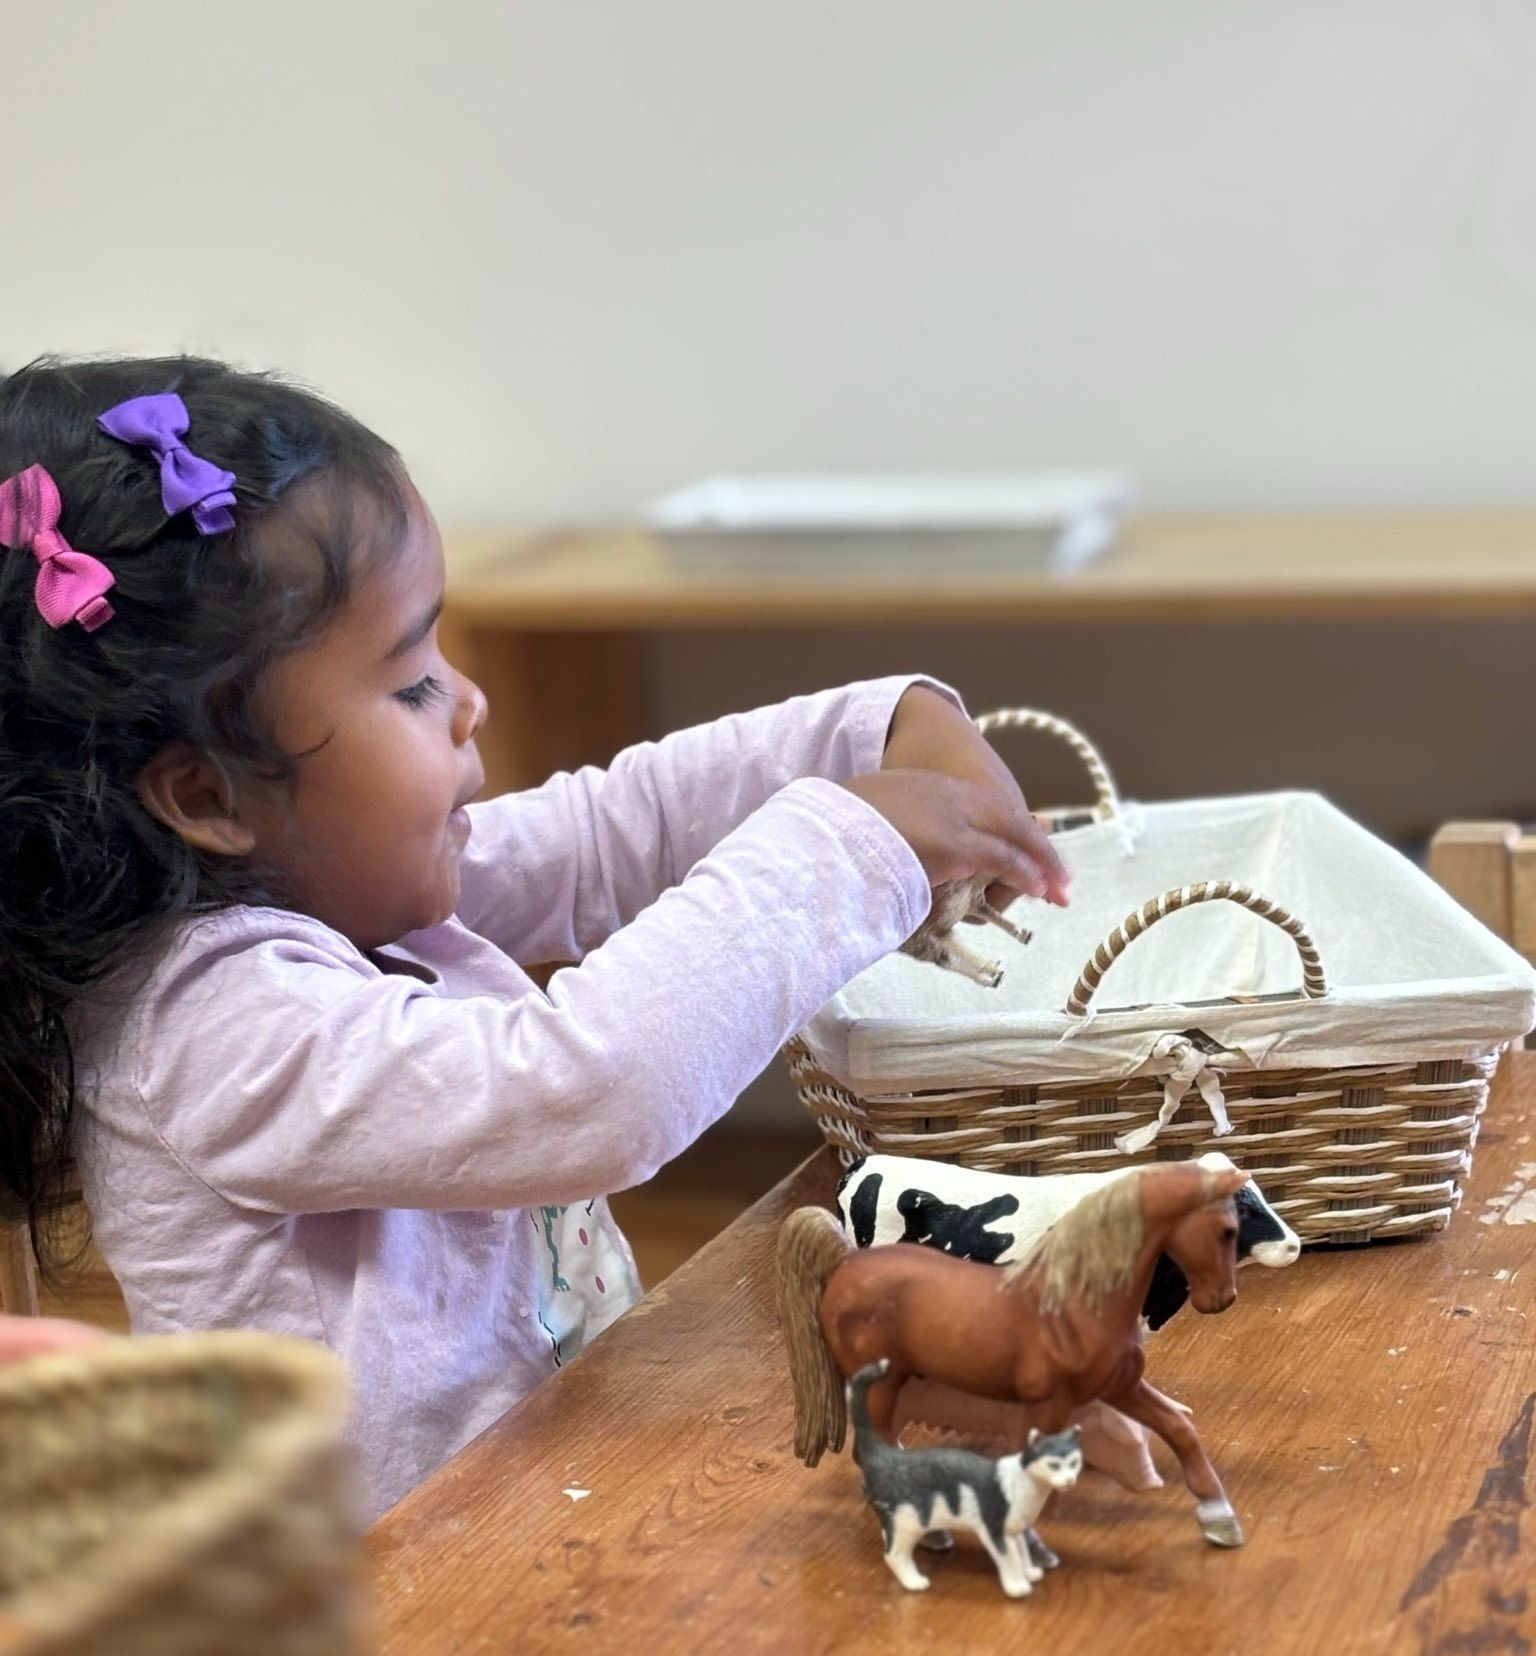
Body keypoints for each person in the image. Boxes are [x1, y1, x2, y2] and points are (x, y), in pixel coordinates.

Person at [0, 357, 1067, 1516]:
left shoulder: (326, 879)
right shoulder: (208, 1029)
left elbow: (614, 827)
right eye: (409, 681)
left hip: (544, 1491)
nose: (469, 702)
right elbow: (588, 1088)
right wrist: (851, 842)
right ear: (206, 796)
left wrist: (873, 728)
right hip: (397, 1600)